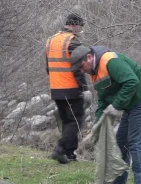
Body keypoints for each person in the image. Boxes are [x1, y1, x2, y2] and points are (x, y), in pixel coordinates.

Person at [69, 45, 141, 184]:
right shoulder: (95, 73)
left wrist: (117, 106)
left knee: (135, 142)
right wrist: (99, 124)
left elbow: (132, 82)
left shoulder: (111, 61)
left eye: (82, 66)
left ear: (89, 58)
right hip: (131, 103)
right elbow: (103, 99)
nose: (81, 70)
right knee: (121, 142)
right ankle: (118, 183)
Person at [46, 13, 91, 164]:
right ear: (75, 25)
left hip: (56, 88)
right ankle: (60, 149)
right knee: (75, 121)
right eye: (80, 27)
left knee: (67, 121)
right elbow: (79, 67)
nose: (80, 31)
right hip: (71, 88)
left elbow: (48, 67)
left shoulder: (50, 40)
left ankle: (70, 153)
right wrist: (84, 88)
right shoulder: (72, 41)